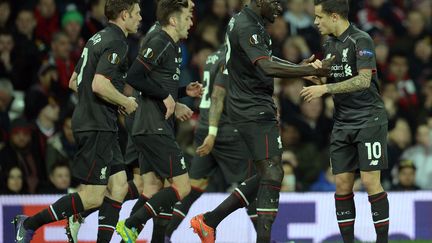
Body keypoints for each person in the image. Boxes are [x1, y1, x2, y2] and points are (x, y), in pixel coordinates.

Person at [189, 0, 332, 242]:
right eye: (275, 2)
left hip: (248, 106)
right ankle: (227, 226)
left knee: (269, 172)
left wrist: (298, 68)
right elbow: (266, 66)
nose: (279, 9)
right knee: (273, 172)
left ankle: (210, 221)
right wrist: (313, 71)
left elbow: (263, 60)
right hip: (252, 107)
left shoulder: (247, 21)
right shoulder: (248, 26)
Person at [12, 1, 140, 243]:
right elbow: (99, 84)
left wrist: (102, 103)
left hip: (98, 121)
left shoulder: (95, 39)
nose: (140, 18)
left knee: (119, 186)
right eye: (137, 14)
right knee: (92, 197)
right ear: (125, 15)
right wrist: (125, 100)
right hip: (97, 125)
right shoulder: (118, 42)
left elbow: (74, 81)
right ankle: (28, 223)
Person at [299, 0, 389, 242]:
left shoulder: (361, 40)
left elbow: (362, 81)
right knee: (341, 184)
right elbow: (337, 79)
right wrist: (316, 78)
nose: (316, 22)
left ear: (335, 16)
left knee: (370, 182)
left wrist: (325, 88)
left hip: (369, 119)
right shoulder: (329, 44)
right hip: (342, 121)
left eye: (319, 17)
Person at [115, 0, 202, 242]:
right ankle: (131, 224)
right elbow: (134, 76)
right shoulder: (160, 40)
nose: (191, 22)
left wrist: (183, 91)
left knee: (151, 188)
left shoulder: (172, 46)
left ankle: (127, 237)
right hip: (154, 127)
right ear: (173, 20)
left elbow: (155, 85)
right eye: (187, 17)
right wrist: (166, 95)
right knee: (182, 187)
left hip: (148, 126)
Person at [165, 45, 257, 241]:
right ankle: (265, 237)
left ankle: (165, 234)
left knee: (193, 187)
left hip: (204, 127)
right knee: (252, 184)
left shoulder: (212, 57)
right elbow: (222, 95)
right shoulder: (236, 59)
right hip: (226, 130)